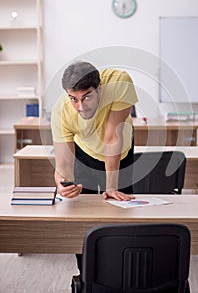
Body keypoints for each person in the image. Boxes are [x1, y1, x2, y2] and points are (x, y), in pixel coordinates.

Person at [51, 60, 138, 201]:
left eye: (87, 97)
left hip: (119, 151)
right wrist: (62, 184)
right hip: (85, 151)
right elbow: (63, 165)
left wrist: (111, 187)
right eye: (74, 99)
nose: (81, 106)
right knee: (82, 203)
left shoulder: (119, 82)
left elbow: (112, 137)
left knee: (120, 204)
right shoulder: (61, 112)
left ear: (100, 88)